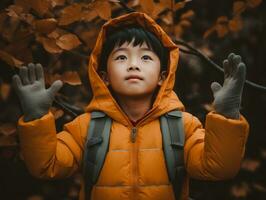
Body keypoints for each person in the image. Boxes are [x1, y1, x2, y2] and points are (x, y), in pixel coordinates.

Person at [13, 12, 249, 200]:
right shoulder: (86, 127)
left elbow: (219, 168)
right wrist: (35, 117)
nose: (133, 65)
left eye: (146, 57)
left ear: (162, 76)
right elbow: (46, 166)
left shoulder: (182, 126)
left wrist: (227, 115)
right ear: (104, 76)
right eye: (121, 57)